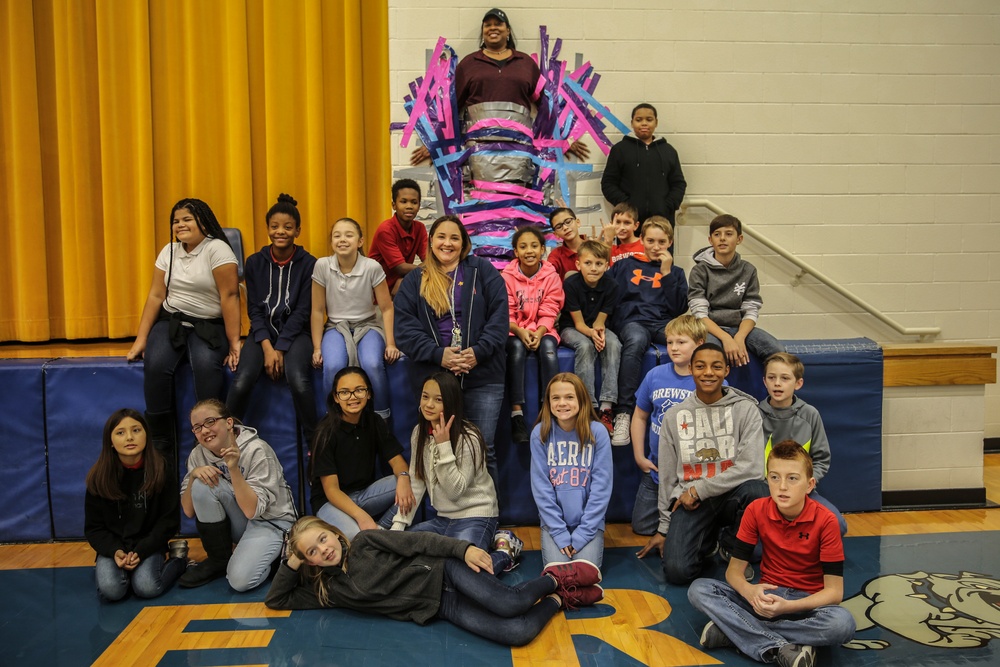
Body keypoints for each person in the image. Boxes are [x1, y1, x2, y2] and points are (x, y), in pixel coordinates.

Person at [264, 516, 605, 646]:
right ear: (308, 562)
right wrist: (293, 556)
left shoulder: (365, 543)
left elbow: (418, 542)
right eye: (311, 552)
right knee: (516, 633)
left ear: (334, 534)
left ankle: (556, 576)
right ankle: (563, 597)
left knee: (510, 602)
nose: (322, 551)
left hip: (444, 571)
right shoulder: (328, 591)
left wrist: (464, 549)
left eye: (322, 540)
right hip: (438, 605)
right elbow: (276, 599)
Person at [688, 441, 856, 666]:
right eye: (775, 477)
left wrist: (788, 607)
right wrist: (749, 591)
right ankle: (781, 646)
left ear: (809, 484)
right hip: (765, 597)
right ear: (767, 480)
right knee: (699, 590)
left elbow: (834, 592)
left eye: (792, 478)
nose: (782, 486)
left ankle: (735, 633)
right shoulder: (755, 510)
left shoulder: (827, 521)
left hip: (807, 604)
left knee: (842, 624)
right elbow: (734, 572)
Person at [637, 344, 768, 586]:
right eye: (700, 366)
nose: (708, 372)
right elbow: (667, 475)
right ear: (691, 369)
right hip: (692, 503)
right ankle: (707, 542)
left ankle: (730, 547)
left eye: (716, 366)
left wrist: (700, 489)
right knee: (677, 572)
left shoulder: (746, 409)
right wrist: (664, 527)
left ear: (726, 370)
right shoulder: (675, 416)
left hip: (731, 495)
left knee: (758, 491)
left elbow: (753, 468)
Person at [394, 215, 508, 489]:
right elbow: (405, 331)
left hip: (482, 374)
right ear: (431, 242)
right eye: (441, 237)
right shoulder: (415, 279)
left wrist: (477, 352)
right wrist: (438, 354)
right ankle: (444, 517)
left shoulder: (483, 271)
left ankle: (488, 518)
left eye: (454, 237)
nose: (447, 243)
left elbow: (500, 319)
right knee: (439, 448)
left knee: (483, 447)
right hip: (434, 378)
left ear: (464, 243)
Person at [126, 198, 240, 463]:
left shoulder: (218, 249)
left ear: (202, 220)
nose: (180, 225)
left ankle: (206, 440)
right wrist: (141, 339)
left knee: (206, 368)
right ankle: (161, 442)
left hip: (208, 324)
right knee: (155, 365)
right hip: (172, 320)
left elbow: (230, 296)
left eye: (187, 219)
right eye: (176, 221)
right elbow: (156, 295)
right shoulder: (169, 251)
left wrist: (235, 341)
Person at [227, 194, 318, 444]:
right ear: (267, 229)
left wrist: (281, 347)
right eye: (275, 226)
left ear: (298, 231)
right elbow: (254, 310)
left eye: (288, 227)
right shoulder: (255, 262)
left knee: (298, 381)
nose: (281, 232)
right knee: (242, 381)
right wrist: (268, 347)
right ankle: (226, 438)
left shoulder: (310, 264)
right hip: (262, 333)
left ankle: (315, 441)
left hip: (297, 334)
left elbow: (302, 311)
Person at [179, 399, 297, 591]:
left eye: (210, 421)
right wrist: (193, 476)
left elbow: (253, 511)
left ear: (229, 422)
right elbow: (188, 510)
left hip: (271, 521)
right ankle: (219, 560)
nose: (205, 431)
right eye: (197, 427)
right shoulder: (197, 454)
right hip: (241, 521)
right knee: (201, 483)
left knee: (240, 581)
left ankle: (276, 557)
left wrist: (234, 469)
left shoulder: (257, 449)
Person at [392, 373, 501, 555]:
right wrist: (398, 525)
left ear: (451, 403)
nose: (429, 404)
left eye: (438, 399)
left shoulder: (469, 437)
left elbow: (455, 492)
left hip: (475, 516)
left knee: (464, 568)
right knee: (401, 553)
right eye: (425, 396)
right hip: (442, 519)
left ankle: (504, 555)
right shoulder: (419, 433)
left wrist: (443, 445)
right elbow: (417, 484)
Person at [84, 409, 185, 601]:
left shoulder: (161, 469)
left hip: (148, 544)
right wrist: (115, 551)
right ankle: (123, 572)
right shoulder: (99, 477)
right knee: (111, 591)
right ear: (110, 442)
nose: (129, 437)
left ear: (146, 434)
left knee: (147, 588)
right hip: (115, 547)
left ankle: (179, 561)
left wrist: (143, 550)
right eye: (120, 433)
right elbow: (94, 528)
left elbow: (169, 521)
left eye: (136, 430)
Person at [607, 216, 688, 446]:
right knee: (635, 340)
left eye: (661, 242)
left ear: (670, 242)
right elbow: (609, 298)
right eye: (650, 240)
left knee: (689, 341)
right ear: (641, 239)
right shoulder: (624, 265)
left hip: (663, 323)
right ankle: (623, 412)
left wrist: (666, 272)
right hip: (633, 322)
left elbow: (677, 308)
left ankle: (693, 401)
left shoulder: (677, 272)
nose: (655, 247)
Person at [310, 366, 414, 539]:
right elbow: (331, 490)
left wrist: (404, 477)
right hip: (331, 502)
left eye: (359, 390)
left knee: (414, 482)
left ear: (369, 393)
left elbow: (397, 461)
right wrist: (362, 516)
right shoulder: (325, 432)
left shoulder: (374, 421)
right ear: (336, 397)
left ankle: (384, 529)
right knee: (358, 538)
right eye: (344, 392)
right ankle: (376, 536)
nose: (352, 397)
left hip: (364, 495)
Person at [311, 217, 400, 420]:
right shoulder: (322, 266)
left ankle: (381, 417)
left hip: (368, 325)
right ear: (332, 241)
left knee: (373, 364)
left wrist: (391, 343)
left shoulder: (371, 267)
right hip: (336, 326)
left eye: (349, 235)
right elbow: (317, 310)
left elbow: (386, 308)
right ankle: (331, 419)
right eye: (337, 235)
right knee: (333, 365)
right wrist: (317, 348)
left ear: (360, 241)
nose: (342, 239)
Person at [629, 315, 709, 536]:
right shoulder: (655, 375)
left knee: (686, 528)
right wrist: (639, 456)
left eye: (681, 342)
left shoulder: (708, 380)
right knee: (642, 527)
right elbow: (639, 416)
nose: (673, 348)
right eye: (670, 342)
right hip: (656, 469)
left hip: (693, 474)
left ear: (700, 343)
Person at [530, 373, 613, 569]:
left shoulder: (598, 432)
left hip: (588, 523)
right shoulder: (540, 433)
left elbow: (602, 486)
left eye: (569, 397)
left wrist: (584, 532)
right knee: (560, 575)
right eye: (555, 398)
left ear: (581, 400)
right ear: (548, 402)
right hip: (554, 523)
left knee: (583, 573)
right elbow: (541, 488)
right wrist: (558, 532)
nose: (562, 403)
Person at [759, 353, 846, 536]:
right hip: (764, 492)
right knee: (755, 549)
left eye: (785, 378)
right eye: (771, 378)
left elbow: (821, 459)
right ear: (764, 381)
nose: (777, 383)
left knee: (837, 525)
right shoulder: (754, 415)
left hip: (802, 493)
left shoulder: (810, 415)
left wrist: (802, 487)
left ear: (798, 383)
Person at [689, 214, 783, 368]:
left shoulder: (748, 270)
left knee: (778, 353)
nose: (722, 239)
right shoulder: (699, 271)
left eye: (729, 234)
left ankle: (772, 391)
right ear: (710, 240)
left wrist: (739, 337)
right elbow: (699, 314)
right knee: (711, 358)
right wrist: (726, 338)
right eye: (717, 234)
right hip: (710, 329)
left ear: (739, 239)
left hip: (740, 327)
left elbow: (751, 310)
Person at [503, 226, 565, 445]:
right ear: (515, 252)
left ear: (542, 250)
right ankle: (517, 414)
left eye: (534, 246)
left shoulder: (551, 277)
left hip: (544, 329)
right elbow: (506, 312)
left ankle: (549, 412)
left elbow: (551, 309)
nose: (529, 250)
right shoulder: (507, 277)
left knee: (548, 351)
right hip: (515, 329)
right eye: (523, 246)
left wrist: (539, 332)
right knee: (516, 350)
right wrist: (519, 331)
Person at [557, 239, 620, 432]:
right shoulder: (571, 284)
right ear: (578, 264)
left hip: (595, 327)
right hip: (573, 328)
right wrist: (592, 335)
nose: (593, 268)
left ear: (606, 266)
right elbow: (579, 324)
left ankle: (607, 407)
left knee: (614, 344)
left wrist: (598, 333)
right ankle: (588, 406)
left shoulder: (612, 285)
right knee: (585, 346)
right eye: (588, 263)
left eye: (599, 264)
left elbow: (600, 321)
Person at [601, 103, 687, 226]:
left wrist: (666, 206)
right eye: (639, 120)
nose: (644, 123)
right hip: (628, 223)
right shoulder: (620, 150)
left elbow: (679, 184)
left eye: (649, 119)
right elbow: (608, 183)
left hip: (662, 221)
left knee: (659, 246)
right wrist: (626, 206)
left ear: (656, 122)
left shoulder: (668, 151)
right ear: (632, 123)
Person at [368, 179, 428, 295]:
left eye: (414, 202)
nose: (409, 206)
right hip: (376, 295)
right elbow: (401, 268)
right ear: (394, 205)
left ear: (419, 206)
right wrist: (427, 269)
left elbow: (429, 260)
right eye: (403, 201)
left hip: (400, 289)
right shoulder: (386, 230)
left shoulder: (419, 228)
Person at [547, 207, 587, 280]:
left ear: (577, 222)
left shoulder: (593, 247)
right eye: (559, 226)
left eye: (568, 222)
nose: (565, 227)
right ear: (556, 234)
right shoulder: (555, 256)